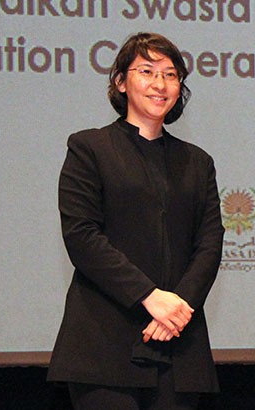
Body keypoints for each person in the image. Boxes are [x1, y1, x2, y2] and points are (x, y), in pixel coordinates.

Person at [47, 32, 224, 410]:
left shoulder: (197, 162)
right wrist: (150, 297)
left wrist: (177, 307)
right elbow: (82, 236)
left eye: (171, 74)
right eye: (147, 71)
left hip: (179, 343)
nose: (160, 84)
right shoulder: (89, 148)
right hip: (104, 345)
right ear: (121, 82)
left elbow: (209, 243)